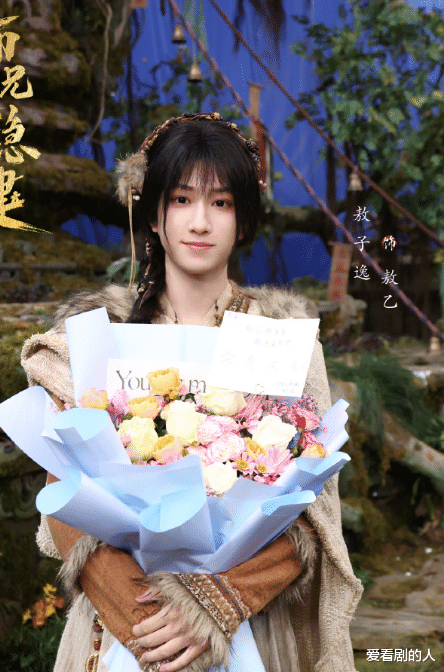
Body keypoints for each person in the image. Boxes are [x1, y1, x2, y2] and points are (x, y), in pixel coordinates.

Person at [21, 112, 363, 672]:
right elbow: (64, 498)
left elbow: (313, 510)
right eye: (182, 199)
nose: (200, 222)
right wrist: (148, 619)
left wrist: (218, 602)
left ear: (242, 219)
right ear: (152, 212)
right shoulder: (100, 334)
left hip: (251, 624)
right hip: (125, 627)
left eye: (221, 203)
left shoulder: (276, 334)